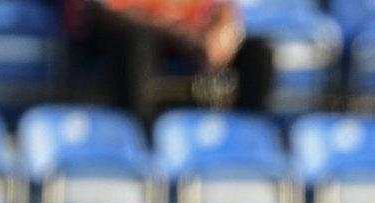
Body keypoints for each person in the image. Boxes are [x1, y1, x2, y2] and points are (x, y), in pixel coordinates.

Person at [64, 0, 274, 124]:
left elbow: (223, 10)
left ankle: (248, 136)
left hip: (188, 36)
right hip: (130, 33)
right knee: (140, 42)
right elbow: (108, 11)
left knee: (257, 51)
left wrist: (222, 36)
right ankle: (143, 135)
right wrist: (172, 32)